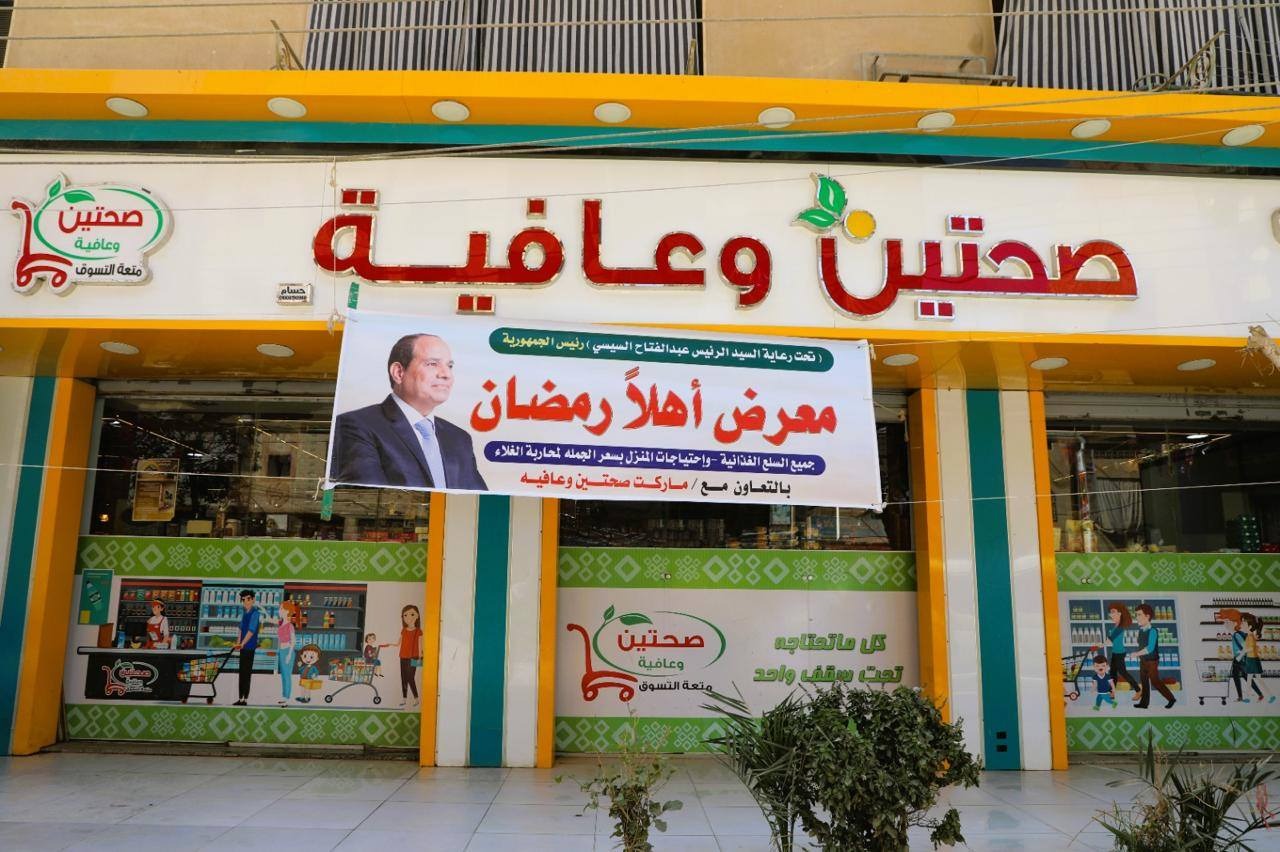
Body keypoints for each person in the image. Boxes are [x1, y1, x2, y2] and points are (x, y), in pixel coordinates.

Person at [332, 334, 487, 491]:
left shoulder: (459, 438)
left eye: (450, 366)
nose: (446, 374)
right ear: (399, 372)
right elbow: (367, 495)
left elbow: (479, 498)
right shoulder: (356, 426)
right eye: (432, 364)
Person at [1133, 603, 1176, 709]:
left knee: (1155, 681)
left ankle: (1171, 699)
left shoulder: (1153, 631)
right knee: (1144, 682)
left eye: (1139, 615)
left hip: (1152, 661)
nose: (1137, 617)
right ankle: (1144, 703)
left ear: (1147, 616)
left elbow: (1150, 648)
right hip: (1143, 660)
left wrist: (1137, 653)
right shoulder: (1141, 631)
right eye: (1136, 615)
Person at [1105, 602, 1140, 703]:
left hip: (1119, 653)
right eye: (1110, 612)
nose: (1111, 614)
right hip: (1115, 652)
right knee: (1112, 673)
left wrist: (1099, 645)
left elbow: (1110, 640)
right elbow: (1111, 640)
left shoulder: (1120, 627)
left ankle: (1138, 690)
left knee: (1123, 672)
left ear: (1120, 613)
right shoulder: (1116, 626)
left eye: (1113, 612)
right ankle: (1111, 692)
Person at [231, 589, 260, 706]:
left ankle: (245, 699)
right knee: (241, 673)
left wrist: (242, 643)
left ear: (253, 600)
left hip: (250, 647)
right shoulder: (244, 613)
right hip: (243, 647)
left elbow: (251, 631)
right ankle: (240, 698)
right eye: (243, 600)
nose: (245, 602)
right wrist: (238, 642)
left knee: (246, 673)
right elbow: (241, 629)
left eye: (248, 599)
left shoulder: (255, 613)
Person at [1240, 612, 1276, 704]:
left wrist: (1243, 651)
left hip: (1252, 660)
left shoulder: (1250, 636)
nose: (1241, 624)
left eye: (1243, 622)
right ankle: (1248, 697)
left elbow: (1251, 648)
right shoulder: (1249, 636)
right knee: (1251, 679)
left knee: (1255, 679)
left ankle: (1270, 696)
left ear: (1250, 626)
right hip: (1251, 659)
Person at [396, 604, 423, 708]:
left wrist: (420, 657)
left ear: (417, 616)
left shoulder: (418, 631)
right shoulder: (403, 630)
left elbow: (420, 645)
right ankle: (404, 699)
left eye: (412, 614)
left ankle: (416, 698)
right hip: (403, 656)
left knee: (410, 678)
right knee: (403, 678)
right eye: (405, 615)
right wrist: (392, 644)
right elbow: (399, 642)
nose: (408, 617)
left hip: (414, 656)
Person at [275, 599, 299, 706]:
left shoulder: (290, 626)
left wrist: (289, 654)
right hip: (281, 651)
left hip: (288, 651)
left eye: (281, 609)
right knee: (283, 676)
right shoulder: (281, 624)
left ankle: (287, 698)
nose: (279, 611)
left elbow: (293, 641)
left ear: (287, 611)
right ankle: (284, 696)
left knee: (287, 675)